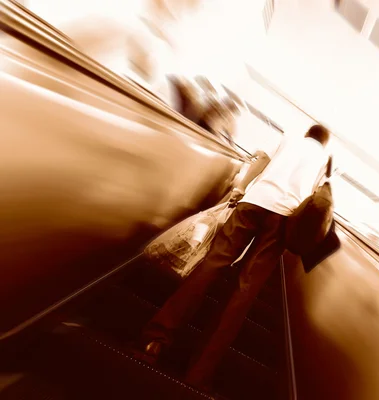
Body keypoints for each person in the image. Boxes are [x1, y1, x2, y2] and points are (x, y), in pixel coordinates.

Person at [135, 124, 332, 388]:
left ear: (308, 132)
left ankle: (155, 339)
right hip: (283, 221)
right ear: (324, 142)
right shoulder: (325, 161)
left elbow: (262, 159)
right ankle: (199, 372)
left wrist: (239, 189)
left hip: (254, 202)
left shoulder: (289, 138)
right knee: (245, 290)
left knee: (212, 265)